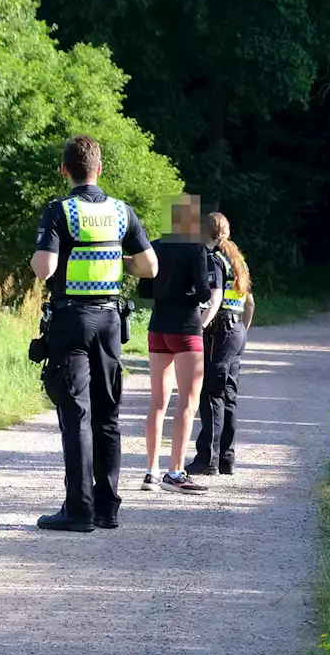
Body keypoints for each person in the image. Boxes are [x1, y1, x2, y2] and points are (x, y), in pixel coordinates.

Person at [30, 135, 159, 532]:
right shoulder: (122, 212)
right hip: (109, 322)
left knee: (76, 414)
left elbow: (44, 269)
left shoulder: (59, 211)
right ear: (99, 169)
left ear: (64, 170)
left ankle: (78, 510)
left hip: (71, 322)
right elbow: (150, 266)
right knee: (107, 416)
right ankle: (108, 509)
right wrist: (115, 261)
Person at [139, 194, 221, 494]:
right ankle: (175, 472)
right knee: (188, 401)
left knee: (158, 401)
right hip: (186, 328)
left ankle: (151, 471)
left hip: (157, 325)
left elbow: (145, 288)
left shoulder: (156, 247)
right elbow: (202, 291)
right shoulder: (196, 248)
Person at [186, 212, 255, 476]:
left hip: (220, 328)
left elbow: (213, 301)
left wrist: (200, 327)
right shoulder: (239, 263)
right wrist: (241, 330)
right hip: (236, 328)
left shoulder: (214, 260)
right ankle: (227, 458)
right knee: (229, 396)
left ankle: (207, 459)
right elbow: (250, 303)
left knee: (211, 393)